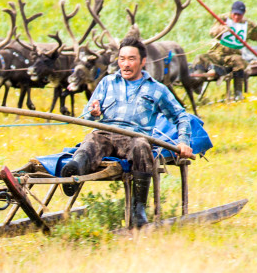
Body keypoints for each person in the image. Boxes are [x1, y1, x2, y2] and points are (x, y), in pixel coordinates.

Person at [60, 36, 193, 228]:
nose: (126, 64)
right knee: (90, 142)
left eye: (131, 59)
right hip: (105, 133)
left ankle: (138, 209)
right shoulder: (107, 83)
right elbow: (87, 115)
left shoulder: (156, 89)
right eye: (122, 59)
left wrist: (183, 141)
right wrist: (93, 112)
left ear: (142, 61)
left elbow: (181, 115)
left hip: (135, 137)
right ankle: (74, 173)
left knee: (141, 147)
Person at [193, 0, 257, 99]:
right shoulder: (223, 19)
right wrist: (221, 29)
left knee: (239, 63)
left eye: (239, 15)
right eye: (234, 14)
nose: (236, 17)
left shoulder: (248, 25)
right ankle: (197, 84)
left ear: (243, 14)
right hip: (217, 53)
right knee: (200, 58)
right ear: (231, 12)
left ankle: (238, 93)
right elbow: (212, 32)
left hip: (233, 56)